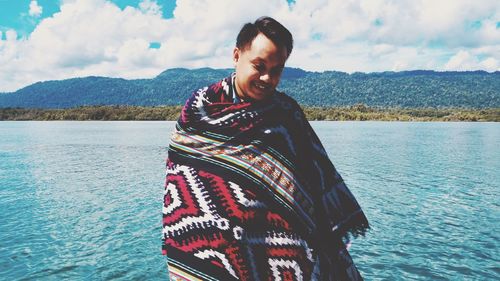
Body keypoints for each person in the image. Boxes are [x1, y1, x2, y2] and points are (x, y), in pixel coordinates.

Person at [162, 16, 369, 281]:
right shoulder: (200, 110)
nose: (266, 77)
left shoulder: (286, 115)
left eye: (276, 70)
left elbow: (313, 181)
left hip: (277, 246)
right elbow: (180, 176)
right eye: (259, 66)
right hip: (211, 247)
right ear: (237, 55)